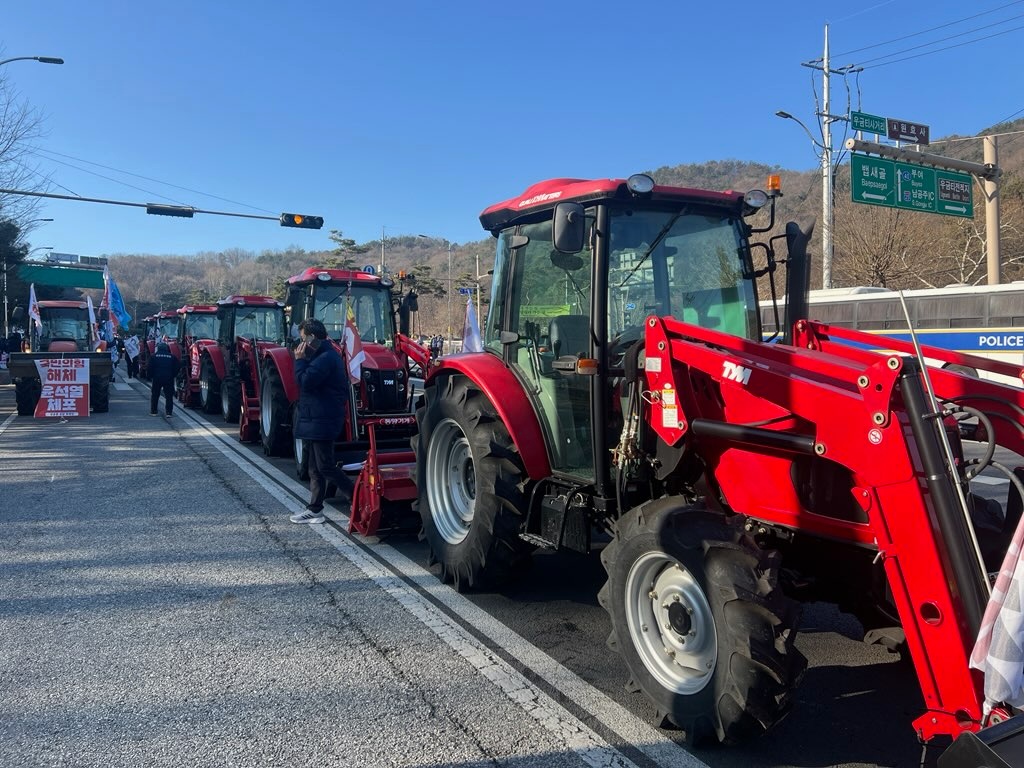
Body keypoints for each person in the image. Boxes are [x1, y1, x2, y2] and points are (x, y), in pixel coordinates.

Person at [290, 318, 355, 524]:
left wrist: (299, 361)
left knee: (325, 465)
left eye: (302, 339)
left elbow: (306, 382)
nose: (300, 344)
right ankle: (315, 509)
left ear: (311, 338)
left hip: (323, 418)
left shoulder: (326, 358)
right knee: (314, 467)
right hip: (317, 417)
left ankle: (355, 496)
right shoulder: (322, 356)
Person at [148, 341, 179, 418]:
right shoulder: (172, 357)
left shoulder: (153, 356)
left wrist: (151, 376)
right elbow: (177, 367)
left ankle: (153, 411)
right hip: (168, 378)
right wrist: (173, 375)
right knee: (169, 396)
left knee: (155, 395)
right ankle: (168, 412)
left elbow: (150, 368)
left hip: (157, 378)